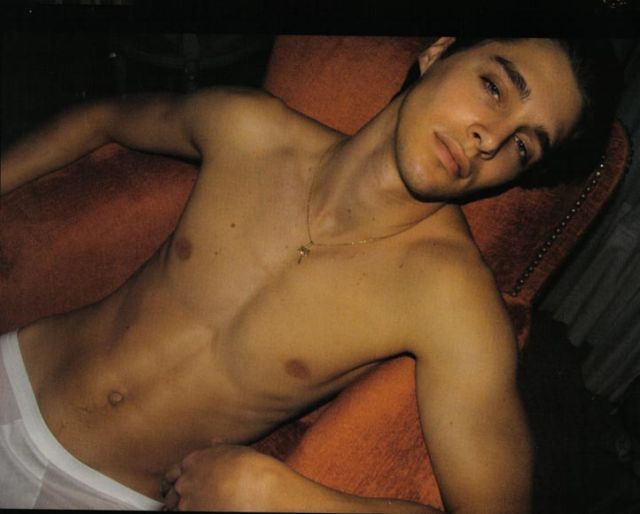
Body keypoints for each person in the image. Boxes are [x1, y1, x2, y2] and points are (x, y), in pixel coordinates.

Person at [0, 37, 589, 512]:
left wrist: (280, 495)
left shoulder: (450, 300)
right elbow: (103, 118)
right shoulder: (249, 130)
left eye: (523, 148)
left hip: (104, 494)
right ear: (437, 54)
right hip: (17, 374)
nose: (491, 138)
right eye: (494, 87)